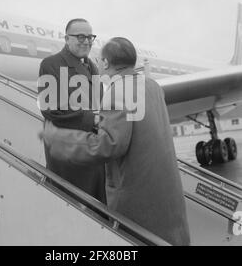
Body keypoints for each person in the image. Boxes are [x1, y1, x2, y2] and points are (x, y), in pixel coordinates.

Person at [42, 37, 191, 246]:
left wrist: (59, 139)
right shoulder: (152, 86)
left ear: (104, 63)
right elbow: (135, 125)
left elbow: (107, 146)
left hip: (138, 203)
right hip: (167, 198)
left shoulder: (117, 91)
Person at [37, 18, 106, 204]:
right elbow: (50, 109)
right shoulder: (50, 64)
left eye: (90, 37)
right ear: (67, 39)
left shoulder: (92, 67)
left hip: (92, 149)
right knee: (74, 206)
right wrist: (93, 119)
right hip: (69, 153)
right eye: (80, 36)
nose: (86, 41)